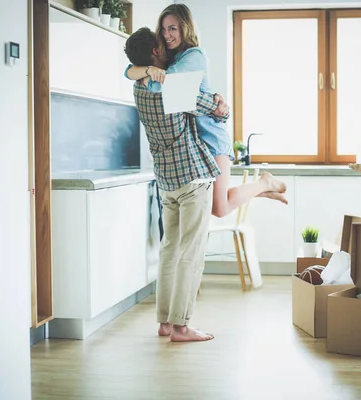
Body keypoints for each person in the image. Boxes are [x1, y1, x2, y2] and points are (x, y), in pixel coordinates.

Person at [124, 4, 288, 219]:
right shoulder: (173, 57)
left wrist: (147, 74)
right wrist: (146, 69)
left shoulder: (194, 56)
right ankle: (263, 189)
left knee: (218, 209)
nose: (166, 35)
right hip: (196, 140)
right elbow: (128, 71)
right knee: (214, 204)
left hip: (211, 135)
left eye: (172, 28)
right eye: (163, 30)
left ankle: (263, 183)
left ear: (185, 28)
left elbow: (162, 87)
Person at [125, 27, 230, 342]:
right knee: (191, 252)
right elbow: (216, 111)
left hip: (166, 182)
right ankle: (182, 327)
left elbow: (132, 72)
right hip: (194, 178)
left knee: (169, 250)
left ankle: (164, 323)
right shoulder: (172, 88)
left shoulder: (139, 89)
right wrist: (220, 103)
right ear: (156, 53)